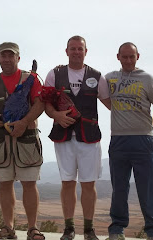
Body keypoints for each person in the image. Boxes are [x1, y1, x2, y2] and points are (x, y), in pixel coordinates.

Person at [44, 35, 111, 240]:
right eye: (72, 49)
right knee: (67, 182)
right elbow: (45, 103)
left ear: (85, 51)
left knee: (89, 183)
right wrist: (55, 115)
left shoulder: (97, 76)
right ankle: (69, 228)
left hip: (89, 137)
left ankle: (89, 229)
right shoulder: (55, 74)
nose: (76, 52)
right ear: (66, 51)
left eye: (79, 49)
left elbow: (111, 104)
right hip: (63, 136)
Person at [0, 42, 45, 240]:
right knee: (5, 183)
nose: (7, 59)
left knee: (29, 183)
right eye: (3, 56)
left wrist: (24, 122)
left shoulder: (31, 79)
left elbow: (40, 104)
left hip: (26, 140)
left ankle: (33, 228)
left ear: (18, 57)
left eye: (11, 55)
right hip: (1, 142)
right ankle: (7, 228)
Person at [106, 42, 153, 240]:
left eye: (132, 56)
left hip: (143, 140)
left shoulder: (147, 78)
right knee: (119, 188)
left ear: (138, 56)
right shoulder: (110, 78)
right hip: (118, 140)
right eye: (125, 57)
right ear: (118, 57)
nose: (128, 60)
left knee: (147, 188)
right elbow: (106, 99)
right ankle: (116, 230)